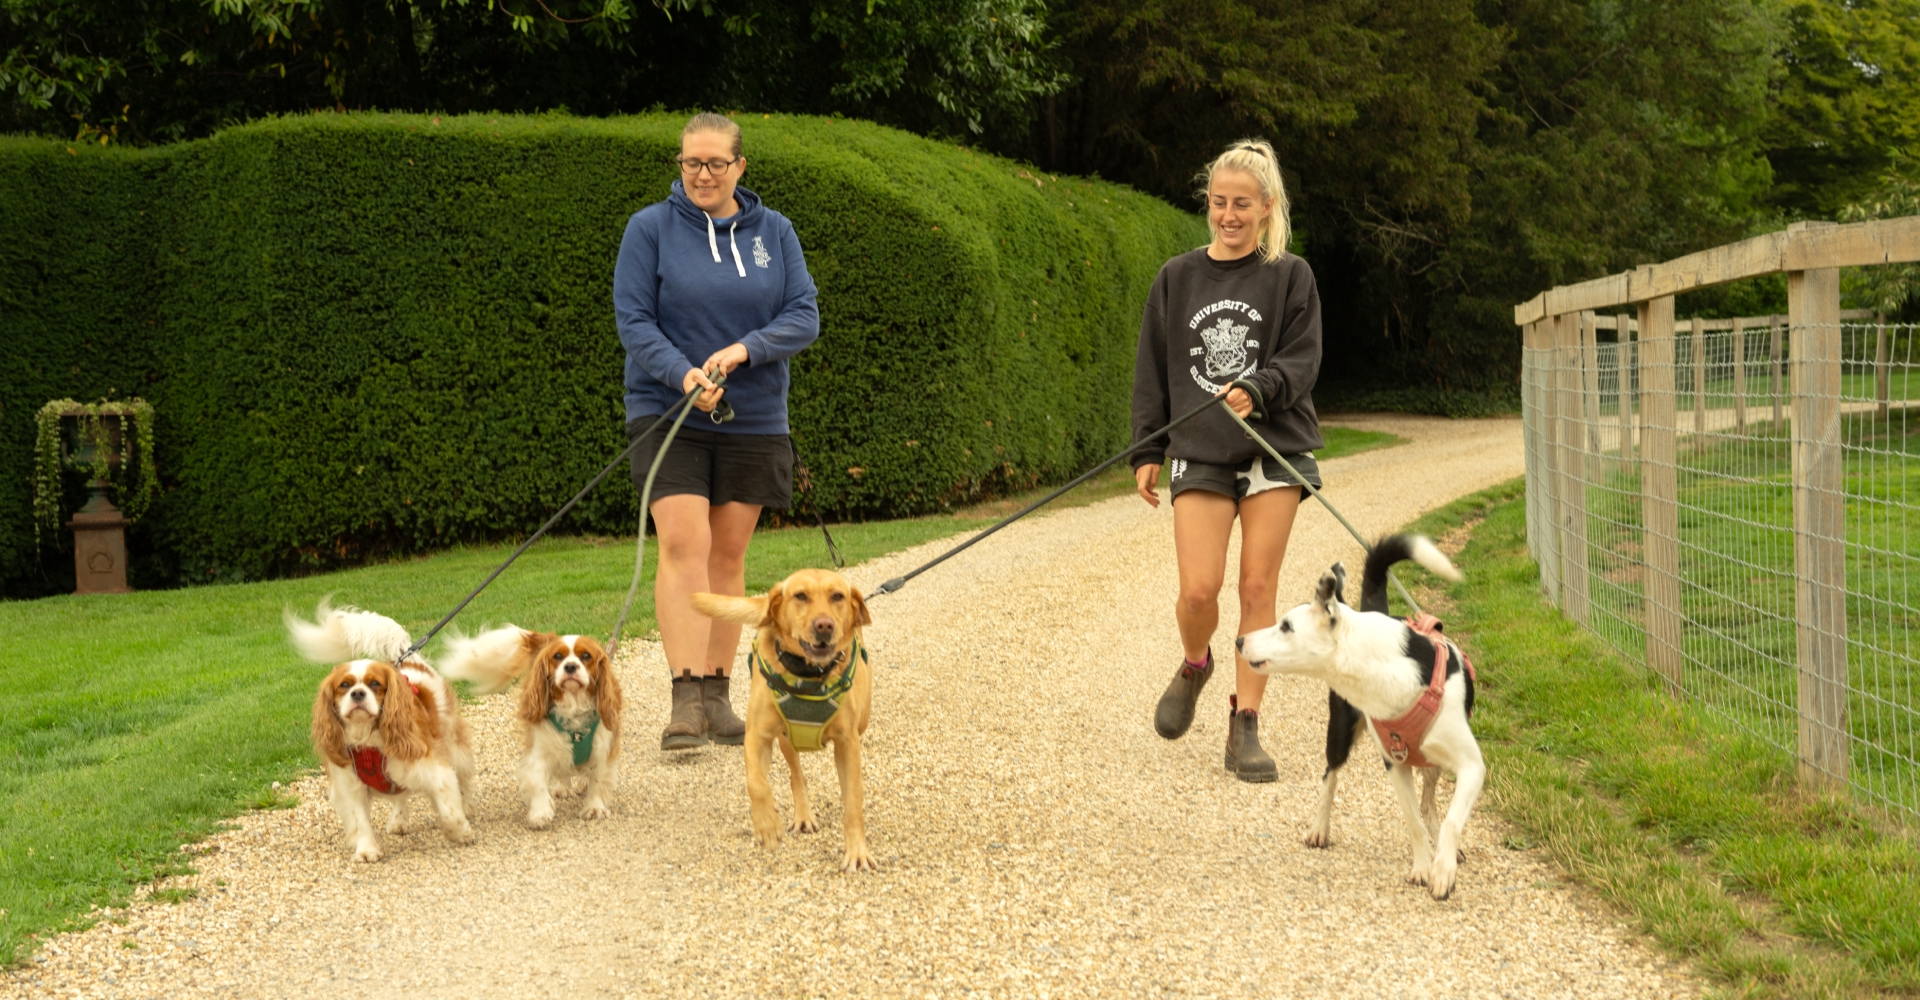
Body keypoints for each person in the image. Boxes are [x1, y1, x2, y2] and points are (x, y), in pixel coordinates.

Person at [613, 112, 820, 751]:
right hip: (667, 410)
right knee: (683, 543)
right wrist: (683, 377)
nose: (702, 175)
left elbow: (803, 315)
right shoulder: (648, 229)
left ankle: (716, 693)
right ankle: (682, 701)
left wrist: (743, 351)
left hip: (753, 416)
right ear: (680, 165)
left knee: (728, 555)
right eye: (690, 163)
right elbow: (634, 320)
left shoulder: (775, 232)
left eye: (715, 164)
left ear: (739, 167)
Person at [1130, 138, 1323, 783]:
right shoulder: (1177, 277)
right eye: (1219, 203)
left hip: (1275, 445)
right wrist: (1148, 446)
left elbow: (1302, 358)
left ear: (1267, 208)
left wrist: (1261, 387)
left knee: (1257, 587)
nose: (1229, 216)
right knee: (1198, 589)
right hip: (1201, 450)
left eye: (1243, 204)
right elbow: (1152, 371)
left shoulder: (1291, 275)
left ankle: (1246, 724)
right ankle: (1195, 664)